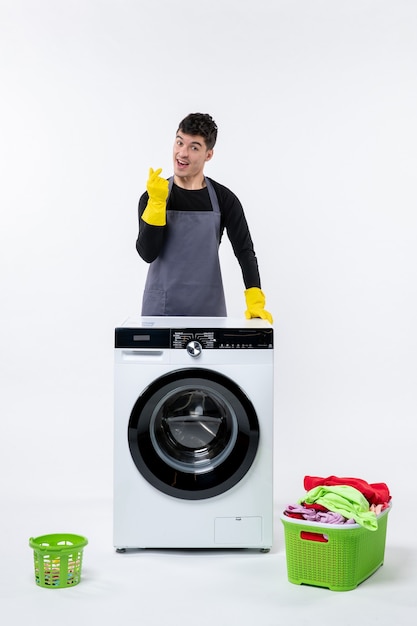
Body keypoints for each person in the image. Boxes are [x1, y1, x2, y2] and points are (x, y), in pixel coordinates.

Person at [136, 112, 273, 322]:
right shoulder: (153, 195)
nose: (182, 153)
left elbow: (244, 252)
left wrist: (255, 299)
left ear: (208, 154)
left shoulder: (224, 199)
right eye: (179, 142)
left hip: (207, 310)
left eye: (194, 147)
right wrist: (156, 204)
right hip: (161, 311)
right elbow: (147, 254)